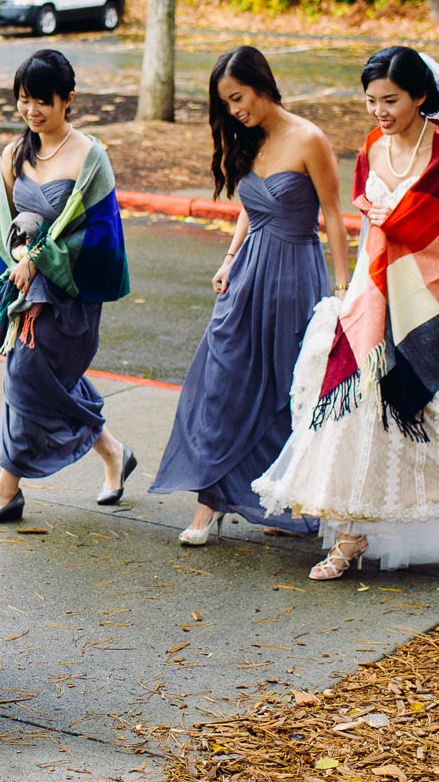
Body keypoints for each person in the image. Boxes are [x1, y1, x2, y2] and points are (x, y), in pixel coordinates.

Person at [253, 46, 439, 579]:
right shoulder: (371, 148)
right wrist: (356, 292)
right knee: (355, 416)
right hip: (375, 299)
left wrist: (412, 267)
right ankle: (350, 537)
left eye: (390, 99)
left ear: (419, 96)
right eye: (371, 100)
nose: (380, 111)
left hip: (433, 307)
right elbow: (372, 229)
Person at [149, 46, 350, 544]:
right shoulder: (249, 141)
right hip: (247, 276)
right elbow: (252, 203)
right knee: (221, 382)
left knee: (288, 390)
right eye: (227, 104)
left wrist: (344, 292)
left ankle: (279, 498)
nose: (235, 111)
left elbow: (334, 216)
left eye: (238, 98)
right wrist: (229, 257)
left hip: (294, 277)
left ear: (262, 84)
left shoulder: (309, 139)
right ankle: (208, 504)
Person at [0, 50, 135, 524]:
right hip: (25, 292)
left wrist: (42, 260)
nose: (32, 111)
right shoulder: (12, 155)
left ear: (68, 100)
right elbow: (2, 228)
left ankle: (6, 489)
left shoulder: (89, 156)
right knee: (45, 381)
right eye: (23, 100)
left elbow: (103, 238)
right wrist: (16, 275)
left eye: (42, 101)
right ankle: (114, 454)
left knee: (25, 377)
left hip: (68, 294)